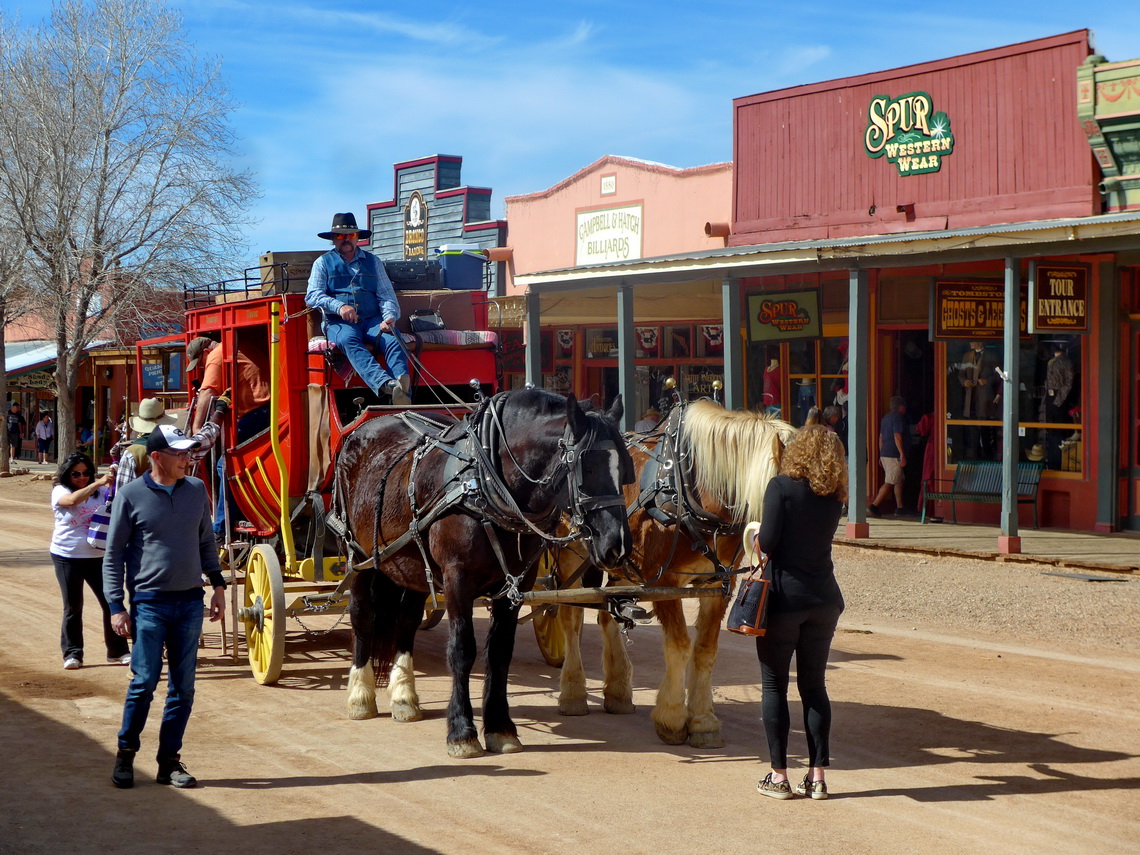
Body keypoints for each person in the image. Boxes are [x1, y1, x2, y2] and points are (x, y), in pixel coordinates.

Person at [103, 425, 226, 790]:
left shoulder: (197, 490)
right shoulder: (130, 495)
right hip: (150, 604)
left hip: (190, 601)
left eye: (189, 453)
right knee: (143, 683)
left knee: (183, 688)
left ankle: (169, 762)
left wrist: (218, 585)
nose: (188, 459)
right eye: (180, 454)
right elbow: (113, 556)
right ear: (156, 457)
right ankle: (126, 755)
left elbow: (206, 540)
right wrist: (116, 606)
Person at [749, 425, 846, 801]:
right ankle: (817, 777)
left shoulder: (781, 487)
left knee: (775, 686)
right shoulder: (835, 497)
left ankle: (778, 776)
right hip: (823, 599)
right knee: (814, 687)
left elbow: (768, 542)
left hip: (784, 600)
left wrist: (754, 536)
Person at [306, 212, 411, 404]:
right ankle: (386, 385)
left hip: (372, 321)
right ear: (333, 240)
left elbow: (386, 295)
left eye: (351, 235)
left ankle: (401, 393)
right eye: (340, 236)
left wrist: (389, 318)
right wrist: (339, 307)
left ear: (357, 238)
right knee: (348, 339)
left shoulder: (374, 262)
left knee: (395, 339)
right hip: (338, 323)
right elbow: (312, 296)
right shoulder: (322, 263)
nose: (346, 239)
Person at [50, 452, 130, 671]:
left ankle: (118, 651)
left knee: (110, 603)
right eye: (76, 474)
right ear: (67, 474)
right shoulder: (60, 490)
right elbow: (72, 501)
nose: (82, 477)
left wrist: (110, 483)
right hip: (67, 556)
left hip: (98, 557)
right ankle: (73, 653)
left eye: (86, 473)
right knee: (73, 607)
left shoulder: (101, 492)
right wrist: (98, 483)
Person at [867, 395, 908, 518]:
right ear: (901, 407)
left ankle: (900, 508)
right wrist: (902, 454)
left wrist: (881, 453)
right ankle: (873, 506)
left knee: (899, 480)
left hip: (885, 453)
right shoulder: (897, 418)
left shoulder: (885, 418)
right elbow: (897, 436)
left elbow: (880, 437)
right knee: (890, 481)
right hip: (893, 455)